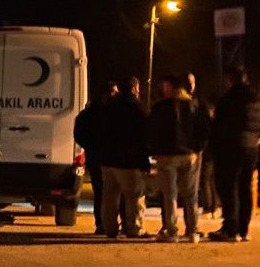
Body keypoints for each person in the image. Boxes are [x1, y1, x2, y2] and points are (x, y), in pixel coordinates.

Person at [148, 74, 210, 242]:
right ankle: (193, 230)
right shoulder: (194, 105)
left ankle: (172, 230)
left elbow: (152, 131)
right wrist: (197, 148)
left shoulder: (160, 107)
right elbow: (204, 130)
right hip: (189, 155)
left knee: (170, 194)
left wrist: (154, 150)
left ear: (169, 87)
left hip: (166, 155)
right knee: (191, 194)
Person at [208, 66, 260, 242]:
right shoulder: (255, 99)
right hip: (251, 147)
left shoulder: (229, 98)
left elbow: (219, 125)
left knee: (229, 187)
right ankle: (243, 229)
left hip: (231, 147)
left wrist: (215, 147)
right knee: (245, 187)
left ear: (230, 79)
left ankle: (230, 228)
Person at [96, 82, 150, 239]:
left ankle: (110, 228)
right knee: (134, 196)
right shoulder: (136, 108)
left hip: (107, 159)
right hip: (128, 160)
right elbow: (143, 136)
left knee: (109, 196)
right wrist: (144, 161)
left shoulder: (108, 107)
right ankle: (135, 228)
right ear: (134, 89)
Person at [74, 81, 118, 234]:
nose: (115, 95)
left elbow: (78, 134)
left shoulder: (88, 112)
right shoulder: (109, 113)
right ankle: (107, 222)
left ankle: (101, 222)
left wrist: (89, 146)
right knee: (109, 191)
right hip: (107, 157)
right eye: (113, 92)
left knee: (100, 191)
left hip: (95, 156)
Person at [187, 72, 218, 217]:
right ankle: (212, 206)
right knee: (209, 178)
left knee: (205, 178)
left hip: (204, 148)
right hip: (210, 147)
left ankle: (208, 206)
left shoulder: (198, 105)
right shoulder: (204, 107)